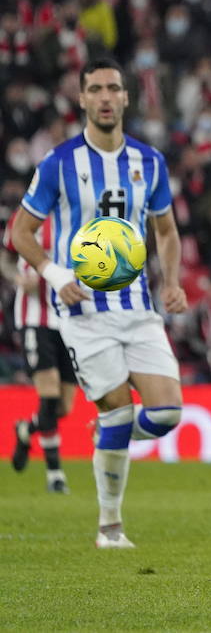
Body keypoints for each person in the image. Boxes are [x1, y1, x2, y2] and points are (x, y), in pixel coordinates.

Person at [9, 58, 190, 549]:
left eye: (114, 87)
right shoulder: (59, 163)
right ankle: (110, 527)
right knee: (115, 411)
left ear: (126, 98)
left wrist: (170, 281)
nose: (106, 96)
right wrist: (53, 273)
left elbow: (167, 230)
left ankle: (106, 434)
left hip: (138, 307)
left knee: (168, 413)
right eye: (96, 89)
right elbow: (19, 232)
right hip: (84, 312)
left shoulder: (149, 161)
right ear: (83, 99)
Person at [3, 209, 77, 493]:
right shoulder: (25, 215)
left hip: (70, 318)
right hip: (34, 318)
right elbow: (7, 257)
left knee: (63, 407)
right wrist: (18, 279)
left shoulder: (80, 214)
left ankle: (26, 429)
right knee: (48, 395)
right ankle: (55, 474)